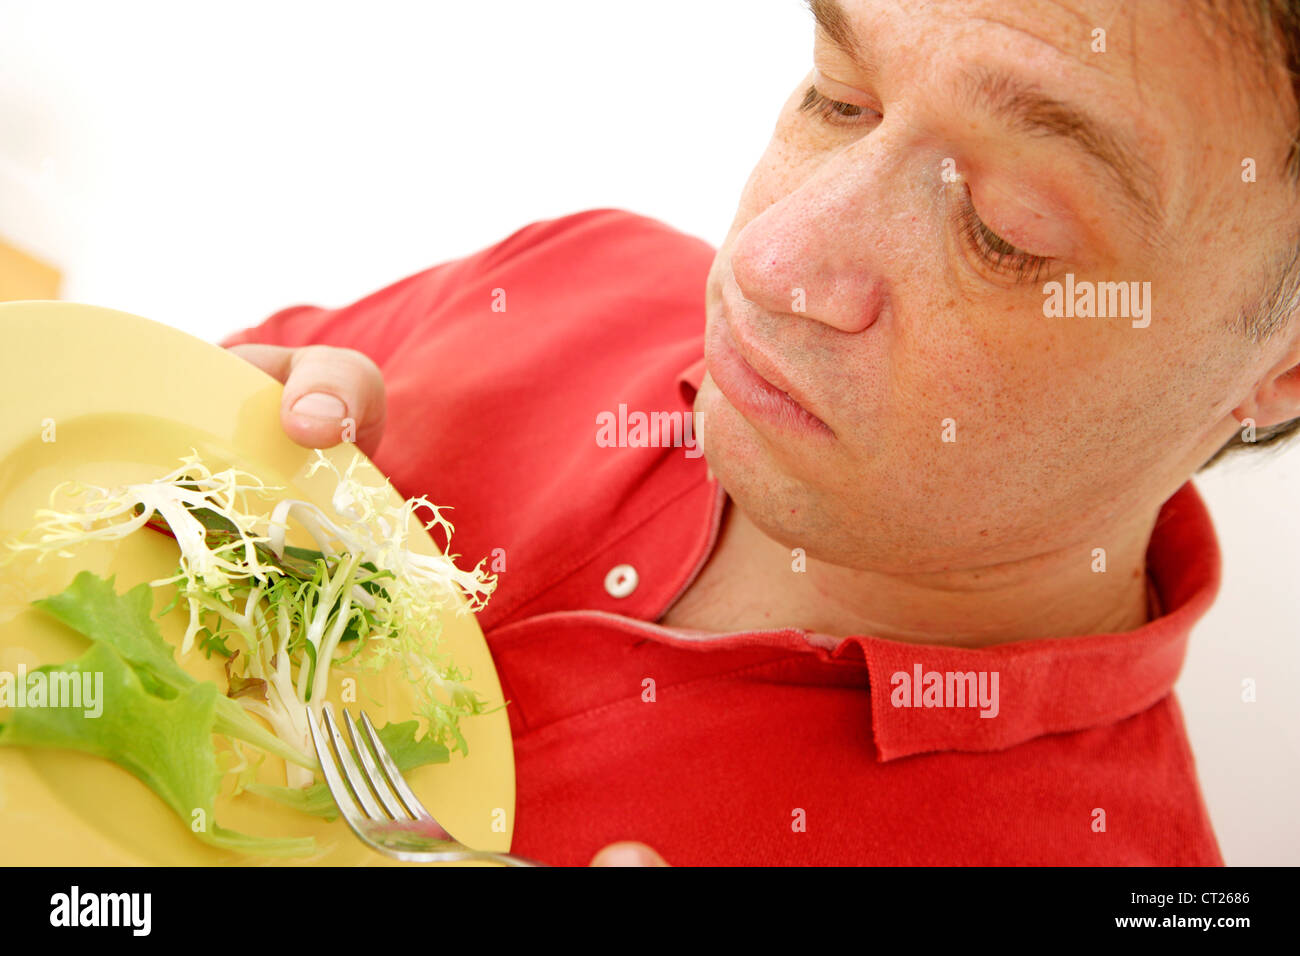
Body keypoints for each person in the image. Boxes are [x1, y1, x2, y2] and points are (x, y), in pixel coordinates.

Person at [221, 0, 1300, 866]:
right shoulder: (578, 271)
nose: (767, 264)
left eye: (1001, 229)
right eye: (836, 97)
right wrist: (184, 450)